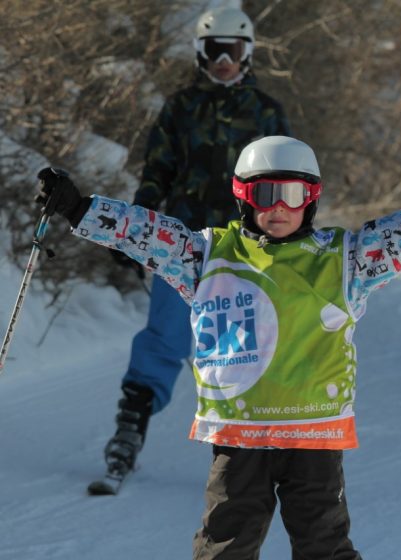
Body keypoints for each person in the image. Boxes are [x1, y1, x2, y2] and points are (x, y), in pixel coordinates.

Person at [35, 135, 401, 558]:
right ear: (244, 196)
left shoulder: (345, 258)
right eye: (266, 194)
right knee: (225, 545)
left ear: (312, 199)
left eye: (294, 194)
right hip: (239, 434)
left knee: (323, 544)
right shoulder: (205, 255)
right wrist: (78, 207)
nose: (279, 207)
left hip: (314, 434)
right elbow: (145, 235)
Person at [104, 6, 291, 481]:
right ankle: (129, 430)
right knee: (165, 337)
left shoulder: (267, 112)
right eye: (213, 51)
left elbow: (290, 186)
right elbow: (156, 175)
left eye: (231, 51)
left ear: (247, 54)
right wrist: (135, 232)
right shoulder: (180, 107)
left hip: (245, 249)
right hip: (181, 243)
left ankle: (244, 455)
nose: (222, 61)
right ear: (200, 54)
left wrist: (287, 246)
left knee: (239, 350)